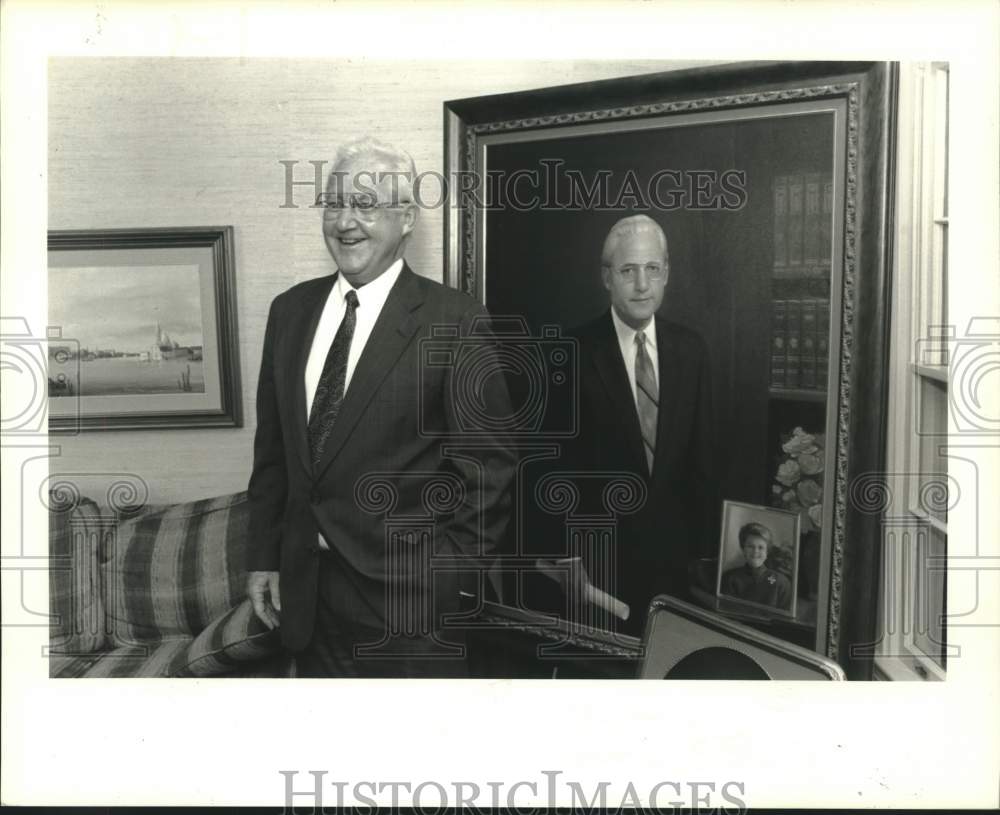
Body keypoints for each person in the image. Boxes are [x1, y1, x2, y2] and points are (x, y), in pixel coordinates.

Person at [245, 136, 515, 677]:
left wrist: (444, 582)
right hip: (306, 603)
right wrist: (265, 559)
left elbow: (490, 470)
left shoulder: (454, 321)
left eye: (366, 205)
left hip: (410, 614)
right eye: (334, 204)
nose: (345, 222)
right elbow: (273, 455)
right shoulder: (289, 312)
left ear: (407, 217)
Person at [563, 214, 716, 636]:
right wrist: (566, 558)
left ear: (666, 273)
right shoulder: (570, 352)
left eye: (652, 269)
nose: (642, 284)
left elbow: (703, 462)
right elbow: (551, 468)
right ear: (606, 277)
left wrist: (707, 556)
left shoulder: (691, 350)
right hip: (598, 570)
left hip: (675, 567)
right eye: (628, 270)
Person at [720, 522, 792, 610]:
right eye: (750, 546)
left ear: (767, 552)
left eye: (761, 547)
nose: (755, 551)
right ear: (743, 549)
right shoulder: (729, 578)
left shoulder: (782, 583)